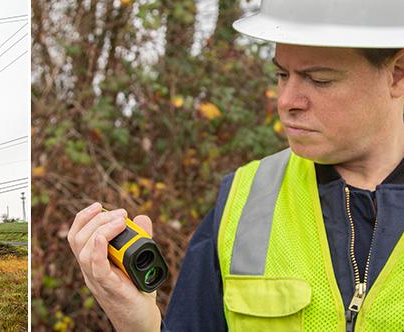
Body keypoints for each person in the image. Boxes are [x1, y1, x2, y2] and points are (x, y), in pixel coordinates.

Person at [67, 1, 404, 331]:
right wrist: (139, 323)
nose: (286, 101)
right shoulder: (244, 202)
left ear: (397, 75)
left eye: (318, 79)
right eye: (281, 74)